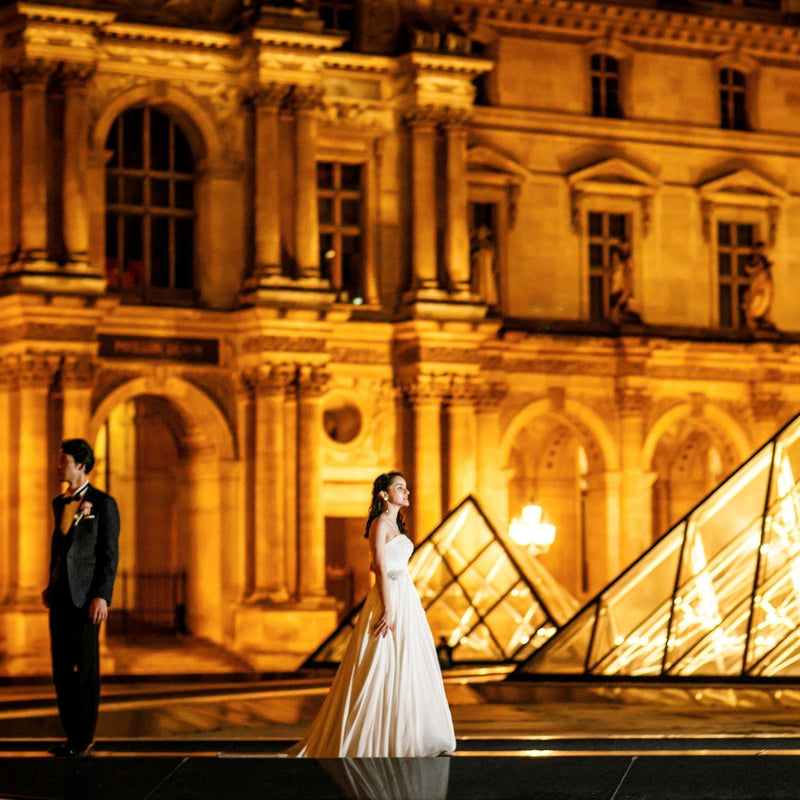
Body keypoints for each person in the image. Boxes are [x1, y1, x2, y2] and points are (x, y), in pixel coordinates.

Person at [290, 472, 456, 757]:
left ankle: (407, 730)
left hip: (404, 593)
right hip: (390, 595)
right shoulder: (380, 524)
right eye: (400, 487)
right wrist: (389, 607)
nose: (407, 492)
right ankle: (379, 733)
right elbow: (377, 567)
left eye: (406, 487)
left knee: (407, 659)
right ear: (384, 495)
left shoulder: (395, 525)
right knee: (382, 660)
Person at [42, 439, 120, 758]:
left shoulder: (103, 504)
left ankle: (84, 737)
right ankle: (71, 736)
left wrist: (102, 596)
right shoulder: (59, 502)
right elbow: (59, 549)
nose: (59, 465)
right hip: (60, 597)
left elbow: (109, 554)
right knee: (61, 668)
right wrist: (51, 583)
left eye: (65, 461)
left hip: (87, 599)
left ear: (82, 466)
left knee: (85, 668)